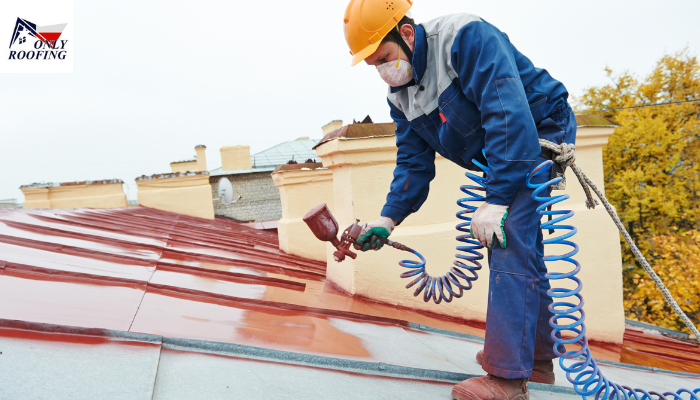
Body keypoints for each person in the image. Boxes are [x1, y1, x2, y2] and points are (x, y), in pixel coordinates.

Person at [343, 1, 576, 399]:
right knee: (523, 246)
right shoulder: (400, 96)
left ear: (407, 34)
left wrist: (498, 199)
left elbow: (508, 115)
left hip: (536, 132)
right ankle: (535, 360)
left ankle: (506, 379)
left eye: (384, 58)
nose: (383, 70)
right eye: (374, 65)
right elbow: (412, 164)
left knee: (507, 236)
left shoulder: (465, 38)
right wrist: (387, 219)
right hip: (502, 147)